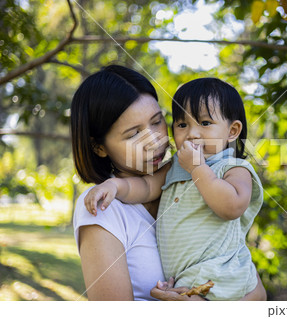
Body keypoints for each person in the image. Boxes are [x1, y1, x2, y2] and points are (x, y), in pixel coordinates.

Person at [71, 65, 266, 301]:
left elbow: (258, 294)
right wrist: (113, 187)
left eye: (156, 122)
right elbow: (144, 188)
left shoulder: (227, 171)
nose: (154, 140)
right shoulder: (103, 207)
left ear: (232, 130)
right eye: (134, 134)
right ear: (99, 147)